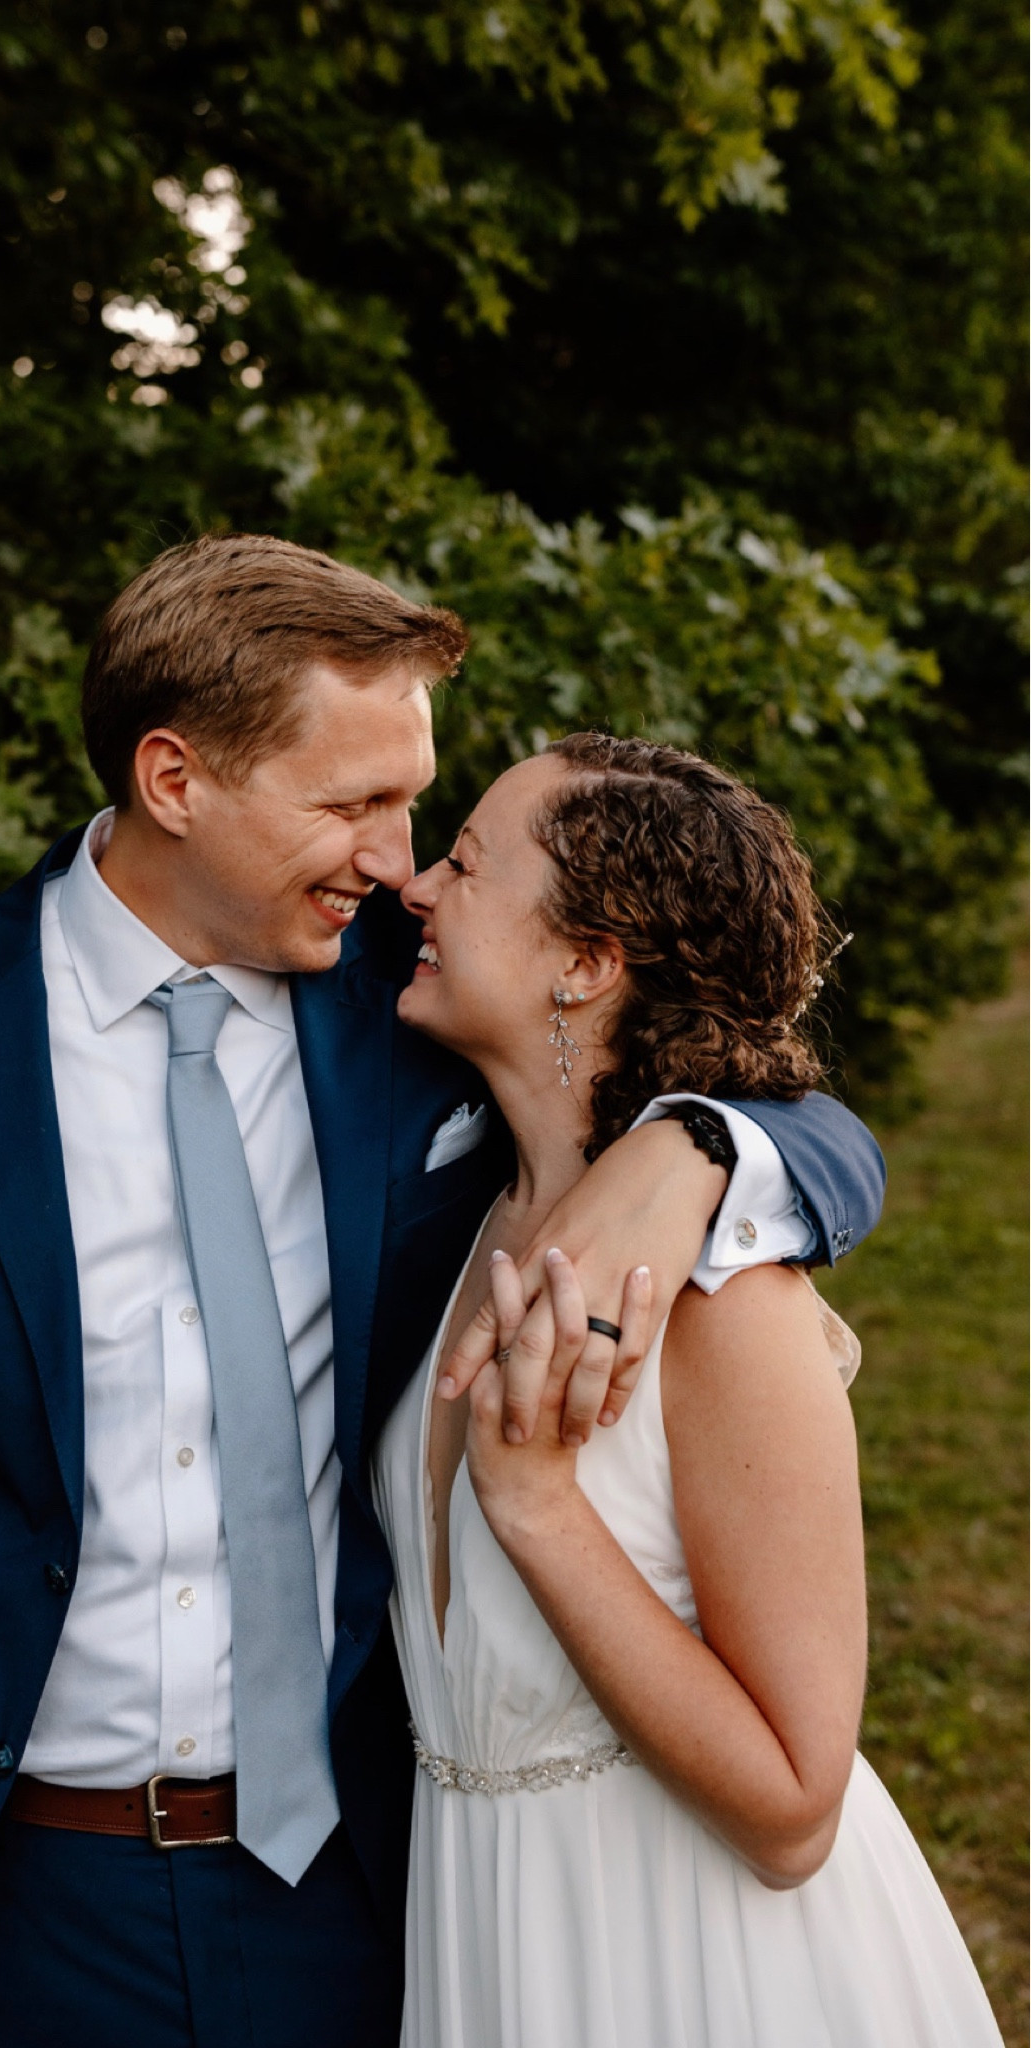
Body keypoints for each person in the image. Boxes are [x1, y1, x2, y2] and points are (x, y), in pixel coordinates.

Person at [0, 539, 886, 2048]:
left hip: (372, 1883)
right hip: (4, 1892)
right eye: (350, 806)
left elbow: (791, 1109)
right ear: (174, 778)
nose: (396, 860)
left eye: (413, 807)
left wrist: (704, 1150)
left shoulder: (416, 997)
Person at [373, 732, 1001, 2048]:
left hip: (695, 1968)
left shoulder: (723, 1300)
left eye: (467, 866)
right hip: (488, 1938)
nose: (416, 887)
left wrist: (537, 1505)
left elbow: (790, 1810)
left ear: (585, 962)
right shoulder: (467, 1211)